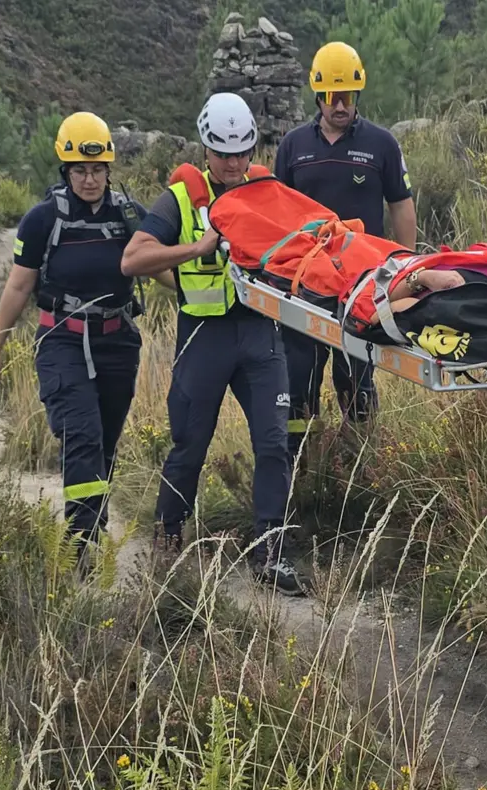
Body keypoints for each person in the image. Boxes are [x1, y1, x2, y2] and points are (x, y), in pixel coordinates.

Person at [121, 92, 306, 597]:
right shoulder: (179, 199)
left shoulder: (265, 191)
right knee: (190, 446)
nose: (233, 162)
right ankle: (168, 541)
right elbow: (133, 260)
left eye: (242, 151)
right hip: (203, 337)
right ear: (205, 148)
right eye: (223, 153)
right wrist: (195, 249)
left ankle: (269, 553)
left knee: (273, 443)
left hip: (260, 335)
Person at [0, 111, 146, 573]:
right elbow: (18, 287)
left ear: (109, 169)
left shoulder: (129, 216)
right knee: (82, 435)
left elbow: (162, 266)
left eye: (97, 170)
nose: (89, 180)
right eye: (79, 171)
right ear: (65, 171)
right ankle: (81, 543)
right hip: (61, 340)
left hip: (117, 342)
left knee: (105, 443)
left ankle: (92, 522)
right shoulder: (41, 221)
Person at [273, 40, 417, 464]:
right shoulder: (293, 146)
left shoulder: (381, 145)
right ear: (318, 96)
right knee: (299, 378)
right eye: (333, 97)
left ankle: (361, 465)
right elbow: (278, 212)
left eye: (348, 97)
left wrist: (404, 270)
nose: (340, 105)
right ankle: (299, 465)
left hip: (362, 286)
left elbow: (402, 207)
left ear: (357, 96)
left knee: (356, 377)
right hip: (305, 286)